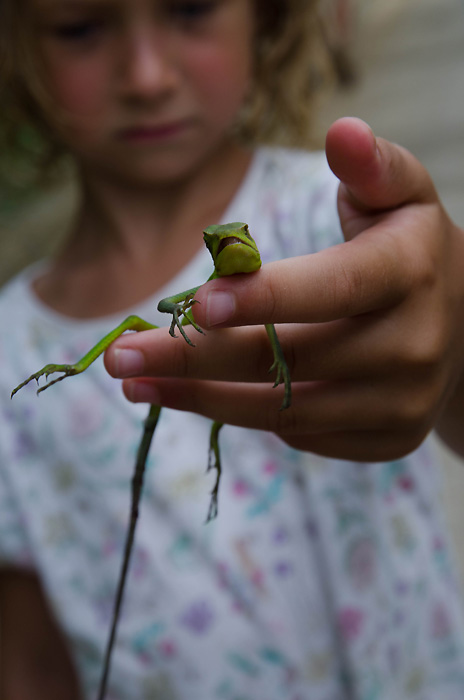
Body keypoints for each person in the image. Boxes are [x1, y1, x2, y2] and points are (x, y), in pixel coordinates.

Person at [1, 0, 464, 699]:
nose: (147, 77)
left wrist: (454, 331)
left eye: (191, 9)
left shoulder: (330, 217)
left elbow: (429, 328)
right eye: (81, 27)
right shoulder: (9, 344)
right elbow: (28, 664)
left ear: (266, 19)